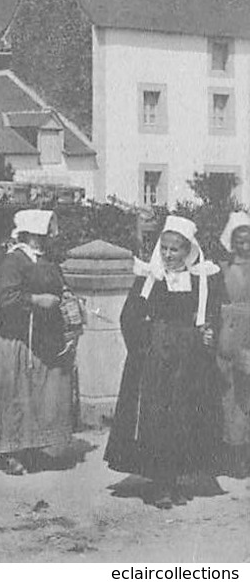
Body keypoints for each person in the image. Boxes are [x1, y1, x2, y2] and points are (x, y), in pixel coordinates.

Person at [105, 215, 222, 508]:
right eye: (165, 248)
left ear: (188, 250)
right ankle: (159, 485)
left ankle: (174, 480)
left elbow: (210, 315)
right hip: (156, 361)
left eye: (176, 249)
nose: (169, 255)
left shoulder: (200, 280)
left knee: (184, 419)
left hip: (188, 362)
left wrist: (207, 334)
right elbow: (129, 316)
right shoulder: (150, 278)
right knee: (156, 421)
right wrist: (145, 346)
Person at [0, 209, 74, 475]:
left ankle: (32, 447)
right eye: (37, 235)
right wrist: (36, 300)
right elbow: (5, 300)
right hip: (18, 340)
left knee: (37, 396)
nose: (42, 240)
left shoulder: (46, 260)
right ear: (26, 235)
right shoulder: (13, 261)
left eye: (45, 236)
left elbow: (59, 285)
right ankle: (10, 453)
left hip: (42, 338)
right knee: (15, 397)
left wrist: (67, 299)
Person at [217, 211, 250, 477]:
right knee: (230, 394)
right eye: (240, 239)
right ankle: (233, 454)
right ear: (232, 240)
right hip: (228, 335)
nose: (245, 245)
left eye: (249, 239)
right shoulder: (222, 269)